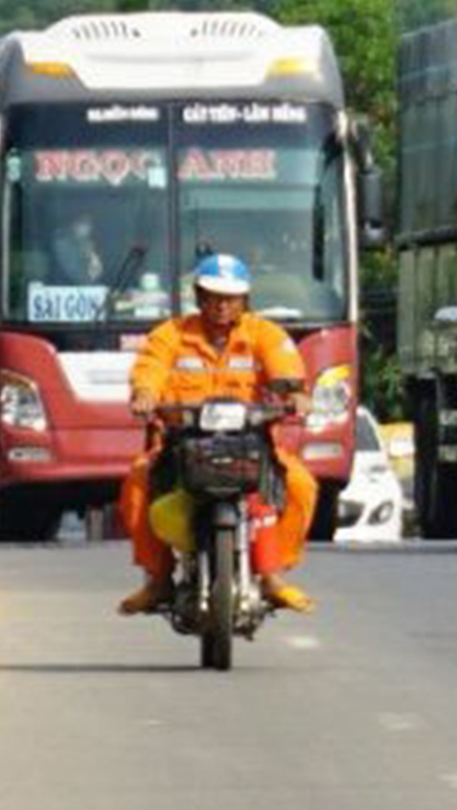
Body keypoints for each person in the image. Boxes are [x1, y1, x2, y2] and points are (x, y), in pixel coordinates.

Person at [116, 253, 320, 616]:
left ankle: (274, 577)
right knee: (138, 481)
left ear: (244, 301)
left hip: (253, 445)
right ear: (198, 296)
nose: (222, 305)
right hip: (183, 445)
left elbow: (285, 367)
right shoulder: (172, 335)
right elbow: (150, 367)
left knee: (302, 485)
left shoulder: (263, 334)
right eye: (213, 296)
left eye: (231, 297)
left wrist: (296, 394)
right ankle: (157, 579)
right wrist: (145, 393)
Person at [52, 213, 104, 284]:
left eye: (89, 224)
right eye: (83, 222)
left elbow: (95, 275)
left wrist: (91, 255)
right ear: (73, 224)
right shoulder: (63, 243)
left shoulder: (90, 244)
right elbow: (76, 274)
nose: (87, 227)